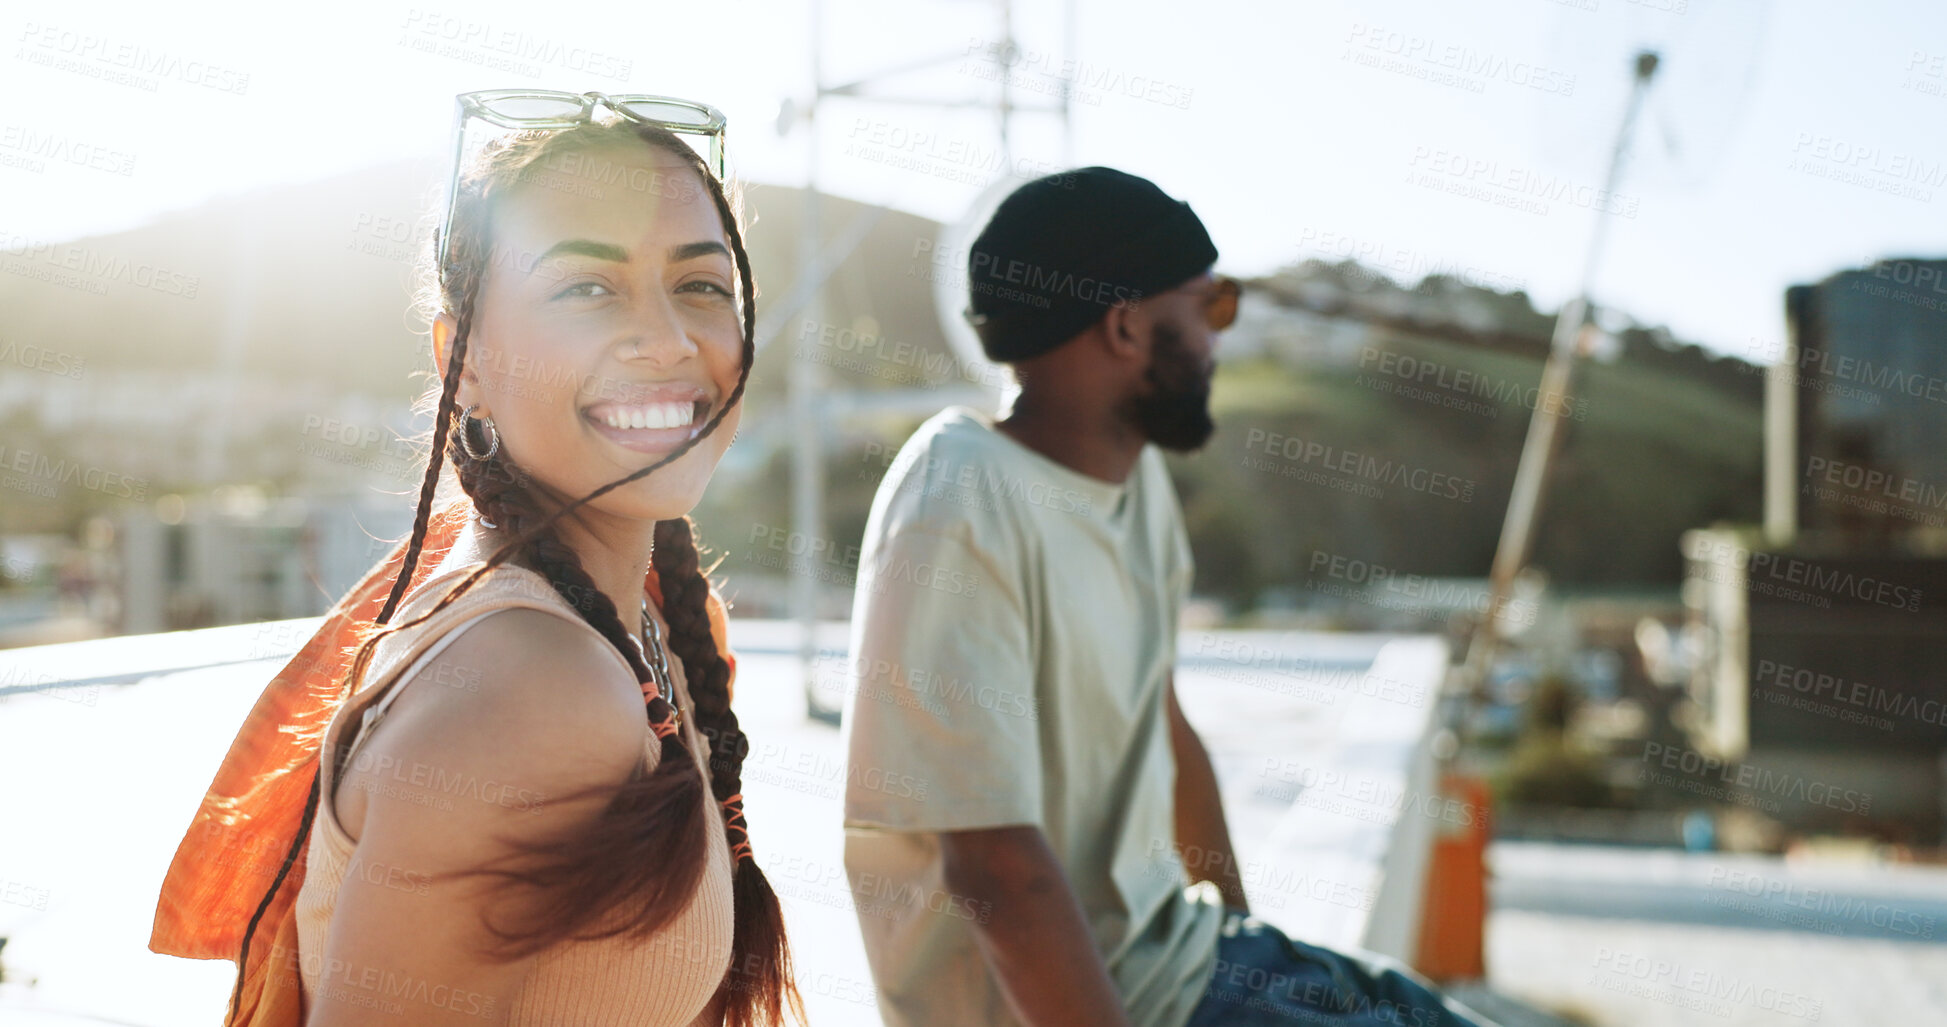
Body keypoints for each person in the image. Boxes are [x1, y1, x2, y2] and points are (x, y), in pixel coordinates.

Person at [150, 91, 801, 1027]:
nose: (668, 339)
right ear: (468, 361)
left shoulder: (625, 618)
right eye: (587, 287)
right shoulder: (532, 686)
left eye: (701, 285)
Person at [838, 167, 1491, 1027]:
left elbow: (1164, 723)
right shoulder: (960, 499)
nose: (1221, 338)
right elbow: (993, 862)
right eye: (1209, 306)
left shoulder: (1130, 479)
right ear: (1124, 324)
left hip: (1188, 959)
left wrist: (1240, 925)